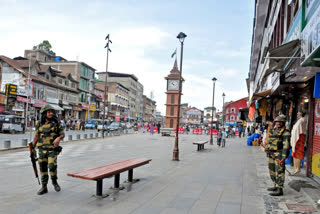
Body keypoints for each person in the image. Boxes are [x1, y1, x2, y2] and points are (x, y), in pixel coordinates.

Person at [32, 104, 65, 195]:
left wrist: (58, 138)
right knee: (42, 168)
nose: (51, 113)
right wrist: (32, 148)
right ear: (44, 113)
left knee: (51, 166)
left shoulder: (56, 123)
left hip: (52, 150)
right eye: (49, 112)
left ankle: (54, 182)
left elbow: (62, 134)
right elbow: (36, 136)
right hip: (42, 150)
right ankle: (44, 187)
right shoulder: (39, 124)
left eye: (51, 112)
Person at [264, 115, 290, 196]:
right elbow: (270, 141)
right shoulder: (274, 130)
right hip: (271, 154)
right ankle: (275, 185)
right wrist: (267, 148)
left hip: (279, 155)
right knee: (272, 170)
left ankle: (280, 189)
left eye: (280, 122)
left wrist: (283, 157)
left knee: (279, 171)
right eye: (277, 122)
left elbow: (286, 145)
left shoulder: (285, 132)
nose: (278, 123)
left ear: (283, 123)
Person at [290, 111, 307, 176]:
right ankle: (295, 167)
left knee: (298, 153)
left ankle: (297, 168)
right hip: (296, 138)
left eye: (298, 113)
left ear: (301, 114)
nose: (297, 114)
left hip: (299, 138)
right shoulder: (300, 120)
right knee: (294, 153)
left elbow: (300, 130)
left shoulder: (302, 120)